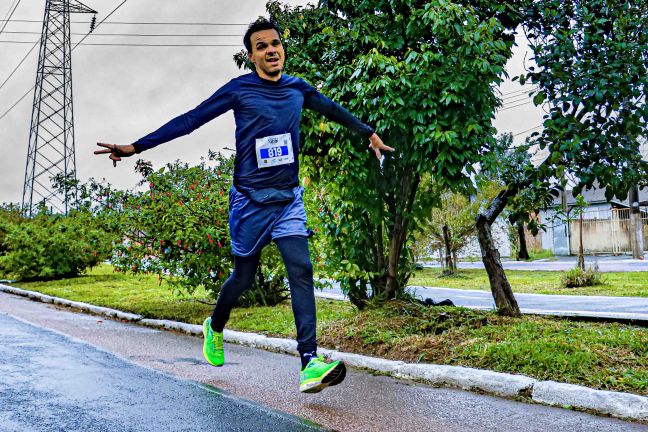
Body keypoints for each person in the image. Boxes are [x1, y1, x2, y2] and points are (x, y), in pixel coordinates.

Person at [95, 17, 393, 393]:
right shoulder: (240, 89)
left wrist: (369, 134)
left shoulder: (298, 89)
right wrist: (136, 146)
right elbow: (191, 120)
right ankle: (215, 326)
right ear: (252, 56)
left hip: (288, 199)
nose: (271, 50)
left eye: (276, 44)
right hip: (249, 202)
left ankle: (309, 362)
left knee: (300, 268)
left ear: (283, 49)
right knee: (243, 278)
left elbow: (332, 109)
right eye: (262, 46)